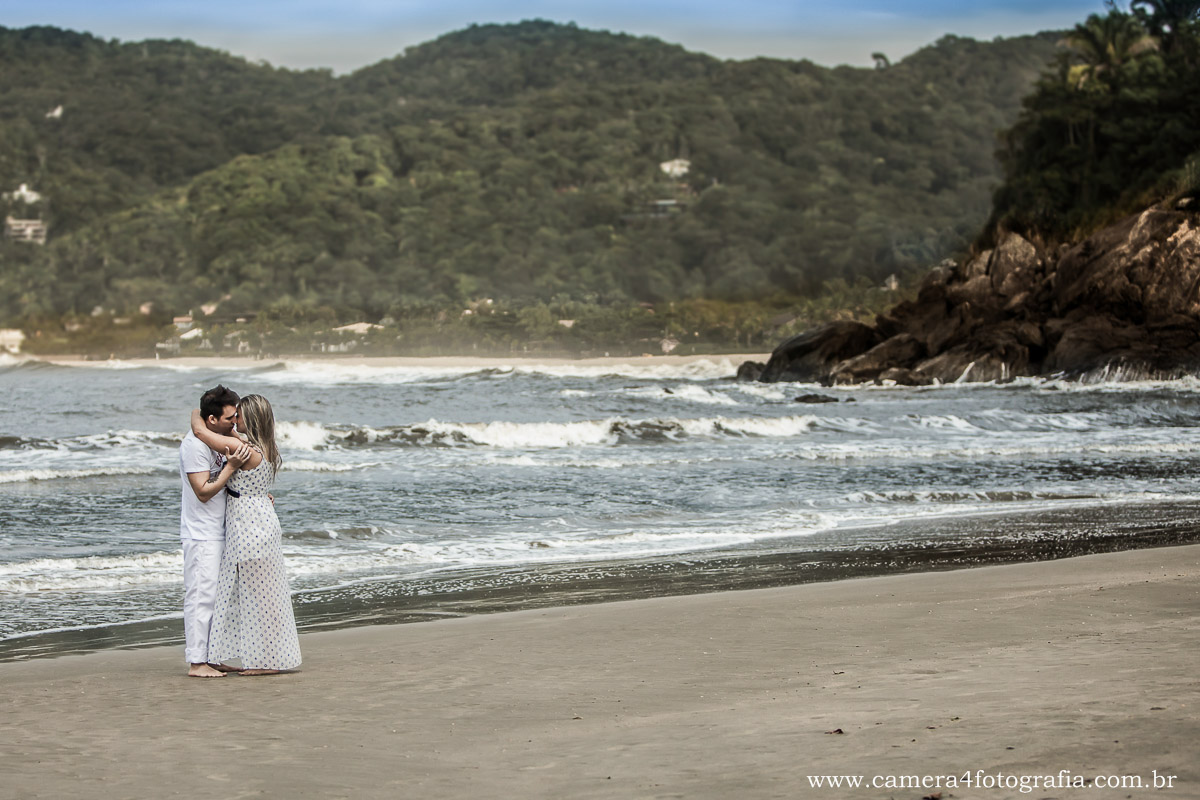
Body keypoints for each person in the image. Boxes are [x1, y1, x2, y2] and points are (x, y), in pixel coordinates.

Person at [190, 393, 301, 675]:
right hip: (259, 520)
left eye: (238, 415)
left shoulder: (242, 448)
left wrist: (198, 411)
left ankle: (268, 662)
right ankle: (266, 658)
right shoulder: (265, 447)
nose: (235, 420)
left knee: (261, 597)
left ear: (249, 419)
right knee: (264, 595)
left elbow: (199, 430)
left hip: (251, 527)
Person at [179, 385, 251, 678]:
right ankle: (197, 662)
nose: (235, 423)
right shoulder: (195, 447)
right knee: (201, 597)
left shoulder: (211, 435)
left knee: (219, 598)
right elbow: (203, 492)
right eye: (229, 418)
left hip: (221, 530)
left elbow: (195, 412)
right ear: (211, 420)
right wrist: (230, 467)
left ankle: (212, 656)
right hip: (201, 534)